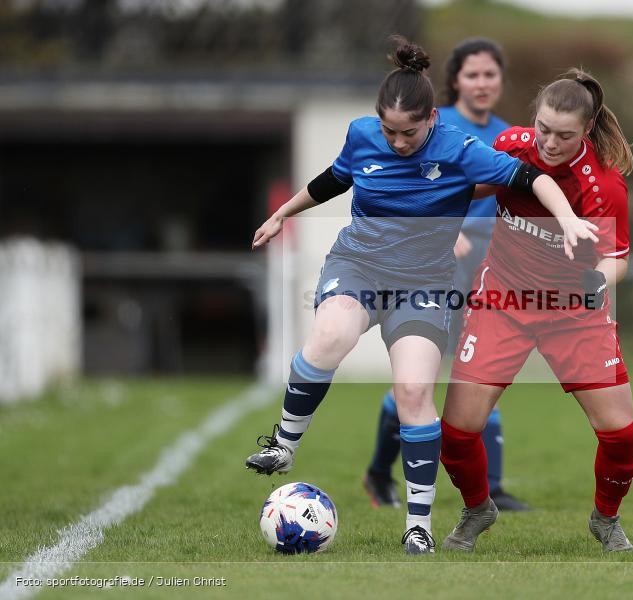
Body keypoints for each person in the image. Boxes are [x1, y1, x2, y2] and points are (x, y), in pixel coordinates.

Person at [244, 38, 599, 556]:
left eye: (409, 131)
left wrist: (567, 221)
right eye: (388, 130)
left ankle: (418, 525)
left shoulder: (459, 147)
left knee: (413, 393)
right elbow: (333, 180)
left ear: (432, 118)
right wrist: (282, 214)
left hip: (427, 284)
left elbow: (534, 178)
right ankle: (284, 442)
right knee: (331, 333)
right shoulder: (362, 136)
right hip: (359, 266)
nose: (397, 141)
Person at [438, 68, 633, 553]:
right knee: (457, 430)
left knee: (621, 436)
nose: (549, 142)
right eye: (544, 128)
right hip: (502, 301)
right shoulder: (514, 143)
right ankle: (478, 509)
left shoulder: (603, 186)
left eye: (565, 135)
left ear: (586, 131)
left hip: (574, 311)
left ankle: (605, 520)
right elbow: (480, 187)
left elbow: (618, 260)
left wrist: (596, 279)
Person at [363, 38, 528, 513]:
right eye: (472, 75)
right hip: (437, 264)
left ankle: (490, 487)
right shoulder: (431, 126)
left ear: (500, 80)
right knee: (427, 375)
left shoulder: (507, 133)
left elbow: (514, 189)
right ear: (454, 81)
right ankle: (379, 472)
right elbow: (405, 189)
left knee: (483, 367)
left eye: (490, 75)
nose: (481, 83)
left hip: (493, 265)